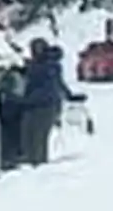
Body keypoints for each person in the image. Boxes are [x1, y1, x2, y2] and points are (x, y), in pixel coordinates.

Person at [19, 37, 74, 165]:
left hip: (46, 106)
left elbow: (53, 85)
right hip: (31, 105)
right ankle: (31, 162)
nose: (35, 51)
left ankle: (39, 164)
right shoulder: (37, 65)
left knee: (39, 137)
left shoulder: (50, 65)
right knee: (28, 136)